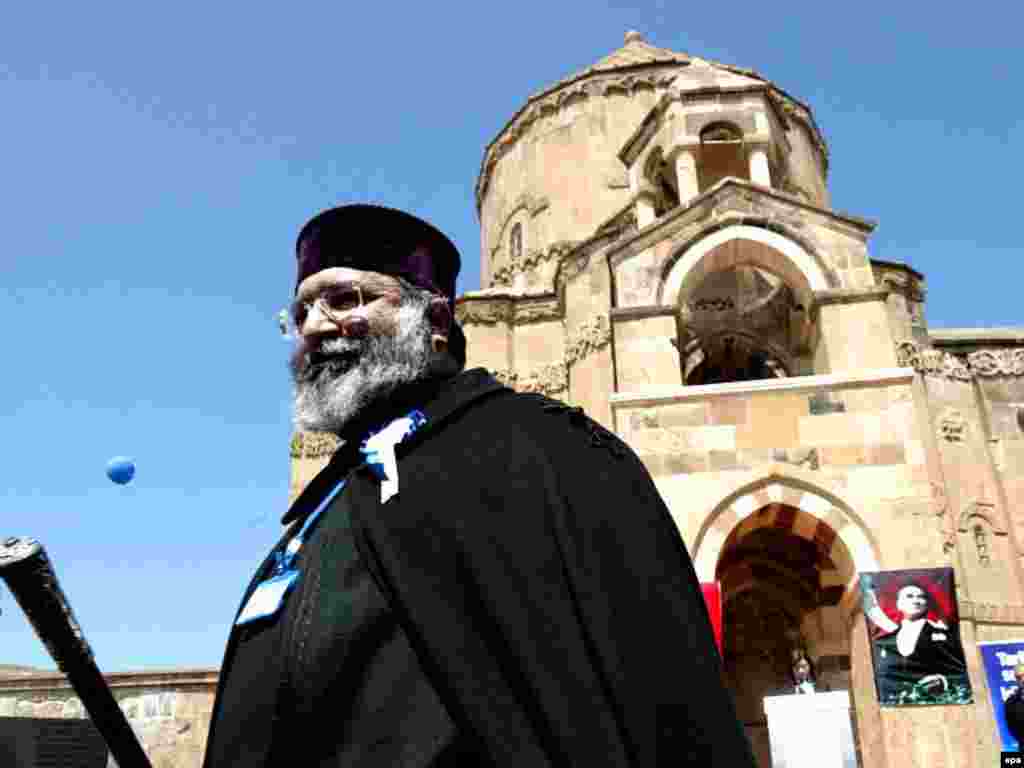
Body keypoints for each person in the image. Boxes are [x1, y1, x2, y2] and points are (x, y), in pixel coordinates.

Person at [201, 204, 757, 767]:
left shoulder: (542, 455)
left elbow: (665, 704)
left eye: (345, 299)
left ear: (436, 322)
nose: (316, 327)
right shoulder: (323, 507)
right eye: (300, 313)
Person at [871, 581, 970, 703]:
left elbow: (963, 670)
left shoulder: (944, 634)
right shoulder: (886, 642)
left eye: (921, 597)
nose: (916, 601)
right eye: (909, 596)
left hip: (938, 701)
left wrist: (943, 681)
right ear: (898, 604)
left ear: (927, 604)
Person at [1003, 663, 1024, 748]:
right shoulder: (1011, 702)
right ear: (1016, 680)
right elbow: (1011, 727)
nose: (1023, 680)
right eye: (1019, 677)